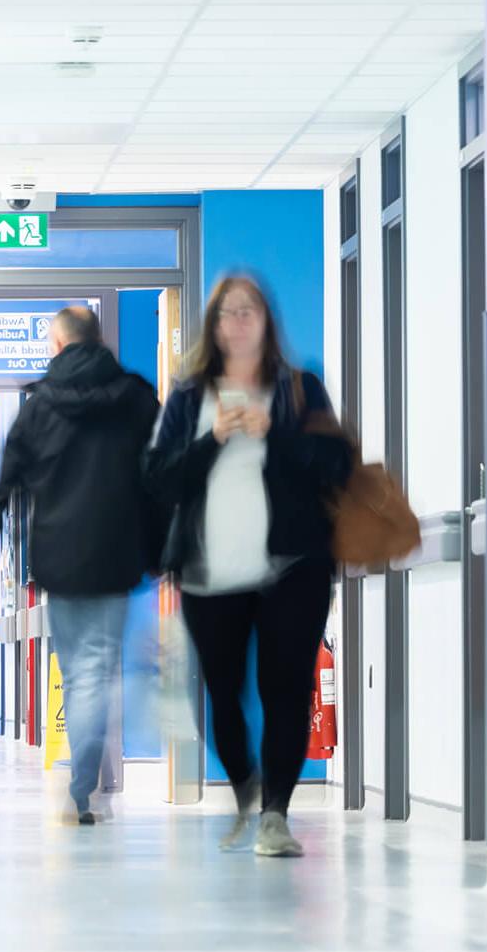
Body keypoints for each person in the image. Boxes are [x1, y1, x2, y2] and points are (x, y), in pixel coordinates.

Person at [145, 275, 351, 858]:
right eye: (227, 313)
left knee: (286, 689)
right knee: (224, 691)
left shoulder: (299, 389)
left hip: (294, 566)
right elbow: (160, 480)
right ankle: (245, 784)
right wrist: (212, 438)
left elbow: (335, 466)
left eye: (249, 311)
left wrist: (276, 433)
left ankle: (275, 816)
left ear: (267, 320)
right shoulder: (188, 397)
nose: (238, 322)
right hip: (210, 572)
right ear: (213, 325)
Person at [0, 306, 159, 825]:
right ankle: (81, 788)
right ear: (97, 340)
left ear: (57, 347)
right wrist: (166, 548)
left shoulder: (38, 407)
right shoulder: (136, 396)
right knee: (98, 669)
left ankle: (81, 786)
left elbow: (6, 486)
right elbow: (162, 475)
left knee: (79, 670)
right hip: (117, 555)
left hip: (58, 559)